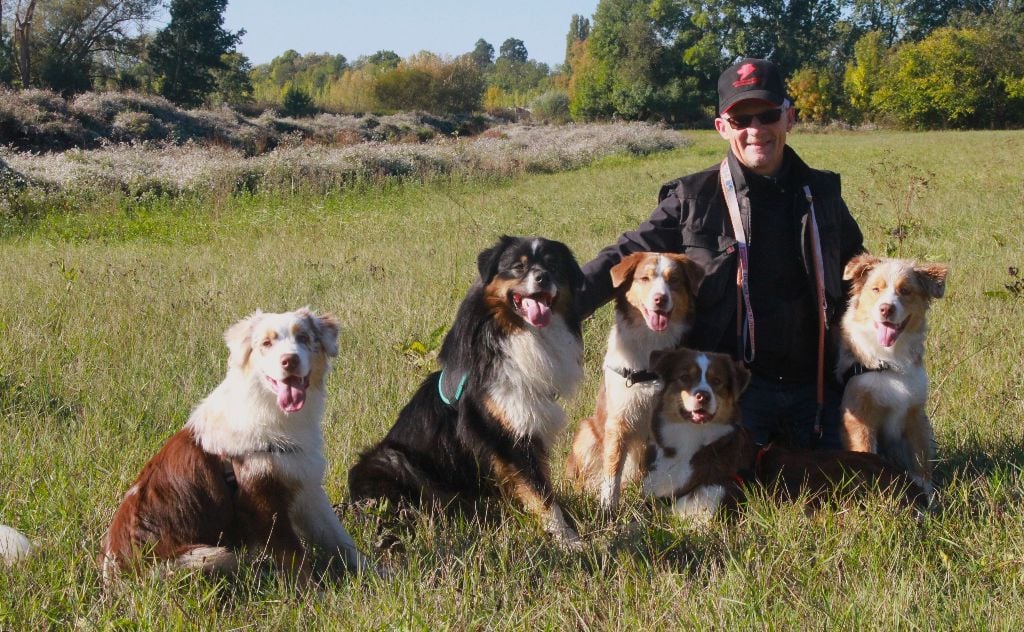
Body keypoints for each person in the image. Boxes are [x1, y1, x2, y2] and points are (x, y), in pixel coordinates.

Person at [577, 58, 864, 450]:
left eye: (767, 116)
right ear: (722, 127)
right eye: (742, 120)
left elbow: (858, 275)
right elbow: (623, 256)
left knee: (848, 483)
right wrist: (554, 308)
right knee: (734, 490)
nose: (756, 130)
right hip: (731, 389)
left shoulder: (824, 195)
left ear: (789, 118)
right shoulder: (692, 199)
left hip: (815, 389)